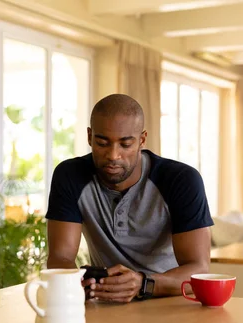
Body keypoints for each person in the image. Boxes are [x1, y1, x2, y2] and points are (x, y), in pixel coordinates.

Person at [45, 94, 213, 303]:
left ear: (142, 140)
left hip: (169, 302)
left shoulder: (181, 180)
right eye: (102, 143)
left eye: (125, 144)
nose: (113, 155)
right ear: (89, 137)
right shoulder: (70, 176)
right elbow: (60, 258)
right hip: (106, 305)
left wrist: (143, 284)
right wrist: (75, 283)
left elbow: (199, 269)